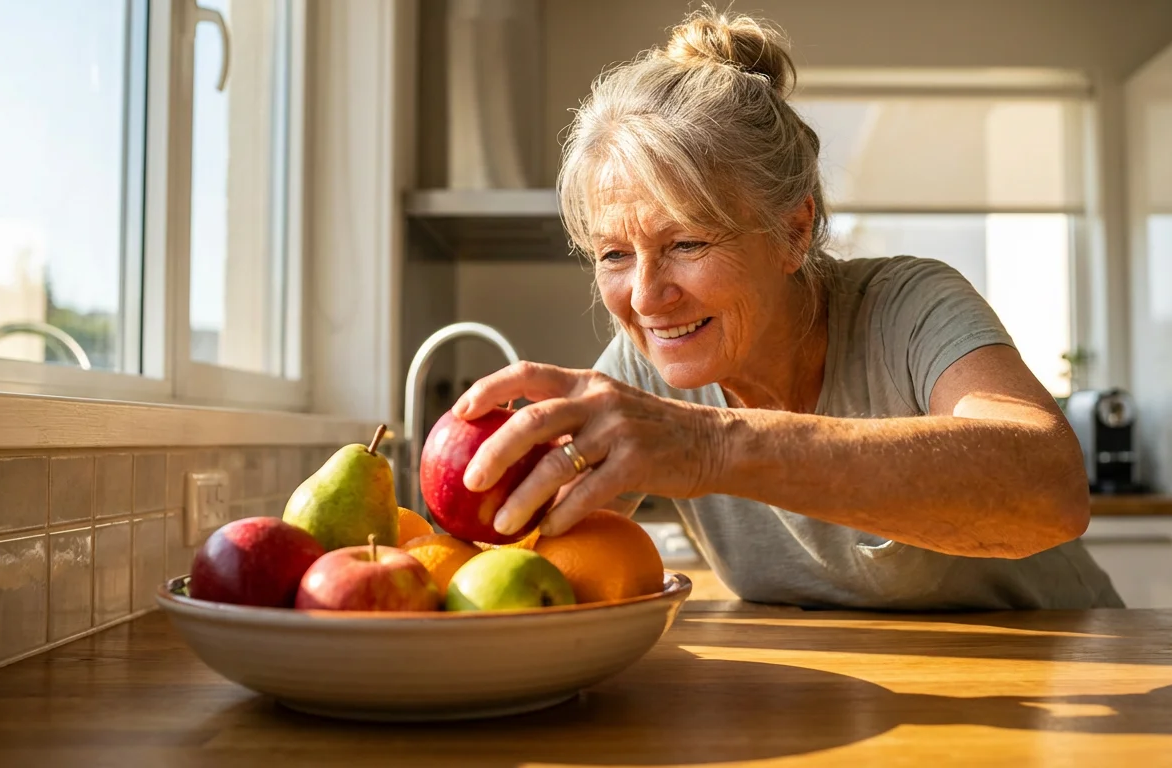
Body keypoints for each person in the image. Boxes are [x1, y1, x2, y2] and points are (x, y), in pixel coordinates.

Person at [448, 7, 1123, 610]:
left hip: (1082, 680)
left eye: (686, 241)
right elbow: (531, 567)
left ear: (793, 231)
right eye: (614, 254)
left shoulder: (908, 306)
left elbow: (1048, 487)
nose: (649, 297)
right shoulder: (642, 364)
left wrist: (708, 446)